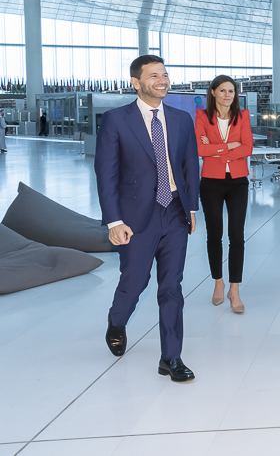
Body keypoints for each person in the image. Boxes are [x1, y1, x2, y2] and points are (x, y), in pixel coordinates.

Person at [95, 55, 199, 383]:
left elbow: (189, 167)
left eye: (165, 74)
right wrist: (113, 221)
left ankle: (171, 357)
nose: (162, 80)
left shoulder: (182, 120)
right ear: (136, 83)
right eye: (154, 75)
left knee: (171, 287)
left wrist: (192, 208)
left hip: (174, 213)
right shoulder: (116, 120)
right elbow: (105, 174)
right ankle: (117, 321)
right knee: (135, 281)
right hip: (135, 217)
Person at [195, 75, 253, 313]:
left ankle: (235, 289)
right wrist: (230, 146)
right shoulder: (202, 117)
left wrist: (216, 150)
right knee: (214, 234)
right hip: (211, 182)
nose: (228, 95)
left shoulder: (243, 116)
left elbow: (248, 147)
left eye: (231, 91)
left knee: (237, 236)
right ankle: (218, 282)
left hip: (238, 182)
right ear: (213, 93)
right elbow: (199, 149)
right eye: (223, 90)